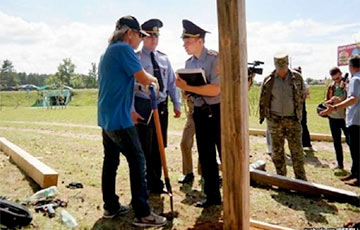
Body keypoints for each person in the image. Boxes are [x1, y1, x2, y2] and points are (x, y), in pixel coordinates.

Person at [97, 15, 166, 227]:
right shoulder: (123, 49)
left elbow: (118, 84)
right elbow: (143, 78)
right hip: (119, 118)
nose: (140, 40)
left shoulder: (107, 52)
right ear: (130, 33)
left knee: (111, 161)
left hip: (107, 117)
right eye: (140, 35)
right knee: (138, 160)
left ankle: (111, 206)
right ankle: (143, 213)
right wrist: (153, 80)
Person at [132, 18, 181, 194]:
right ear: (143, 38)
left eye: (156, 36)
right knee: (145, 146)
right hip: (143, 105)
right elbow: (130, 87)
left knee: (159, 147)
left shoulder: (164, 58)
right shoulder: (135, 58)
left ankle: (156, 183)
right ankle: (144, 183)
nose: (154, 39)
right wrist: (132, 109)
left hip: (161, 105)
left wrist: (177, 103)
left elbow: (172, 84)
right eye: (150, 36)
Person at [176, 19, 221, 207]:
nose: (184, 44)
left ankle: (235, 194)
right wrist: (185, 90)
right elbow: (192, 90)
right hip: (199, 113)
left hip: (217, 113)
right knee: (206, 155)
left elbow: (215, 90)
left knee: (225, 154)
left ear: (200, 41)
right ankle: (212, 197)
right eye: (184, 41)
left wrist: (189, 86)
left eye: (188, 41)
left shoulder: (215, 59)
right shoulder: (188, 63)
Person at [259, 52, 307, 180]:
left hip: (292, 119)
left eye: (284, 68)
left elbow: (302, 95)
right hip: (274, 120)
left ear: (287, 65)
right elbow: (263, 98)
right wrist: (264, 116)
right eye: (279, 68)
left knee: (296, 151)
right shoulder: (269, 80)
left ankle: (301, 180)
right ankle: (281, 178)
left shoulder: (297, 77)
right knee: (277, 151)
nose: (282, 71)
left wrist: (297, 113)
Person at [321, 55, 360, 187]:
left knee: (355, 148)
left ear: (351, 66)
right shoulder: (351, 80)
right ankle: (354, 173)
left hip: (354, 119)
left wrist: (336, 106)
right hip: (351, 118)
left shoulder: (354, 80)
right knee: (354, 149)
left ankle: (357, 177)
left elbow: (353, 98)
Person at [323, 67, 350, 169]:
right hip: (333, 117)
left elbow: (350, 99)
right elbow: (326, 100)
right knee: (336, 141)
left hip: (345, 118)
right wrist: (329, 102)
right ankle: (340, 164)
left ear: (341, 74)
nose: (336, 80)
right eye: (334, 79)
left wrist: (339, 100)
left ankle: (355, 165)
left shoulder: (348, 84)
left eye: (338, 78)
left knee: (351, 142)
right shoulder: (331, 86)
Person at [294, 66, 315, 152]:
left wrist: (301, 96)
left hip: (301, 107)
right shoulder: (290, 83)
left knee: (303, 125)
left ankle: (306, 144)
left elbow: (308, 96)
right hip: (293, 108)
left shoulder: (304, 83)